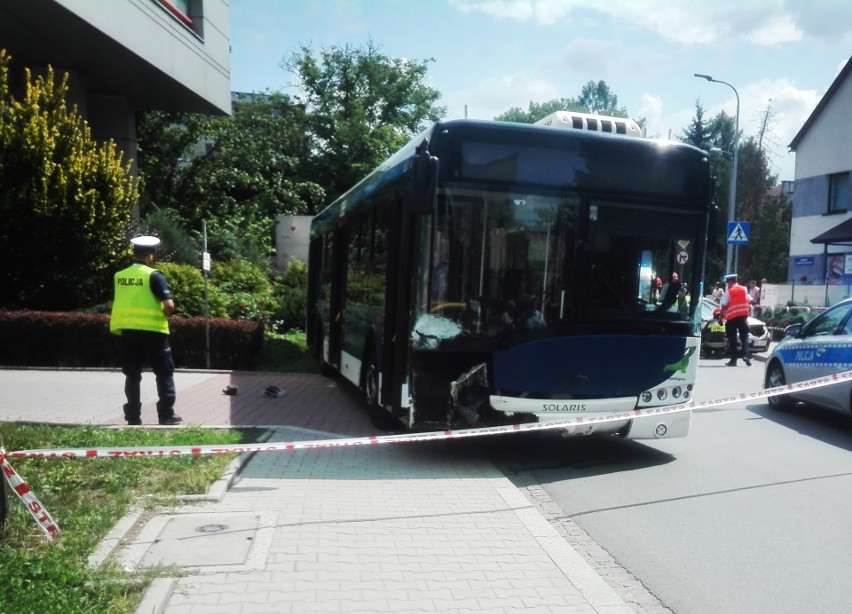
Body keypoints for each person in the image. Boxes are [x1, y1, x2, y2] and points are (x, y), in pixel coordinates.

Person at [109, 236, 182, 426]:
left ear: (134, 253)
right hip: (153, 332)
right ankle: (166, 415)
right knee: (164, 373)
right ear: (151, 255)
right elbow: (169, 305)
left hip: (128, 333)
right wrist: (165, 315)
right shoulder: (154, 275)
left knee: (132, 374)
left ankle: (133, 417)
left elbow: (111, 302)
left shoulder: (120, 276)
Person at [719, 272, 751, 367]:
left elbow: (724, 306)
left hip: (732, 318)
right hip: (743, 317)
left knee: (732, 339)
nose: (727, 283)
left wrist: (721, 318)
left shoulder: (729, 291)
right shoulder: (744, 289)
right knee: (744, 337)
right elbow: (749, 300)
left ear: (731, 281)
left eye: (728, 281)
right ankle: (746, 356)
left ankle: (733, 360)